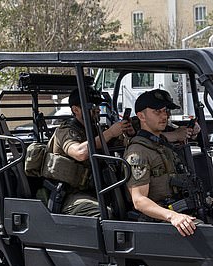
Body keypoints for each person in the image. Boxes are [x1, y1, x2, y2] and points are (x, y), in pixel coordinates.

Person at [38, 86, 134, 216]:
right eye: (91, 106)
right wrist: (110, 133)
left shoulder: (96, 129)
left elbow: (122, 147)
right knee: (105, 214)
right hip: (69, 194)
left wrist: (128, 134)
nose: (97, 109)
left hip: (98, 188)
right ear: (75, 110)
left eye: (97, 105)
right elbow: (79, 153)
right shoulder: (66, 130)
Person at [124, 89, 200, 236]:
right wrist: (173, 216)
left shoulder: (162, 145)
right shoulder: (138, 152)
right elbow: (139, 200)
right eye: (157, 111)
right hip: (159, 222)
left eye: (165, 111)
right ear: (141, 116)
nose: (164, 116)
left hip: (180, 211)